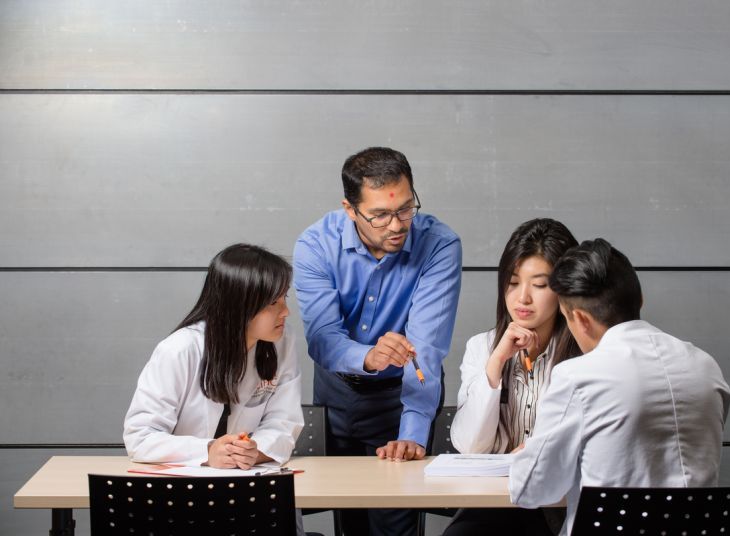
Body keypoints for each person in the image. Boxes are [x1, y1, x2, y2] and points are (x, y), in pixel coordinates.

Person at [509, 238, 730, 536]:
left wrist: (530, 453)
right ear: (640, 299)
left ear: (580, 319)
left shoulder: (578, 376)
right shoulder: (706, 367)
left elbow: (529, 491)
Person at [293, 147, 462, 536]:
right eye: (381, 215)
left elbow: (427, 349)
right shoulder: (315, 245)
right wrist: (368, 356)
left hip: (401, 396)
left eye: (405, 209)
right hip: (336, 395)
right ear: (350, 209)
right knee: (349, 523)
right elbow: (322, 340)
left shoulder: (439, 245)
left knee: (395, 527)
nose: (397, 225)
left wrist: (412, 431)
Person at [443, 218, 580, 536]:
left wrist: (536, 451)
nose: (523, 298)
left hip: (558, 504)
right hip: (494, 502)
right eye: (514, 282)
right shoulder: (482, 346)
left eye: (540, 284)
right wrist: (497, 362)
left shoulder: (583, 354)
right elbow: (471, 447)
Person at [124, 243, 303, 470]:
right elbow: (140, 437)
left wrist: (255, 450)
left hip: (250, 484)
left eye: (284, 297)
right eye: (273, 303)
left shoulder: (281, 341)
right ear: (239, 306)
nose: (286, 311)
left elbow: (283, 423)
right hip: (182, 488)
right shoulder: (181, 349)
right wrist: (208, 451)